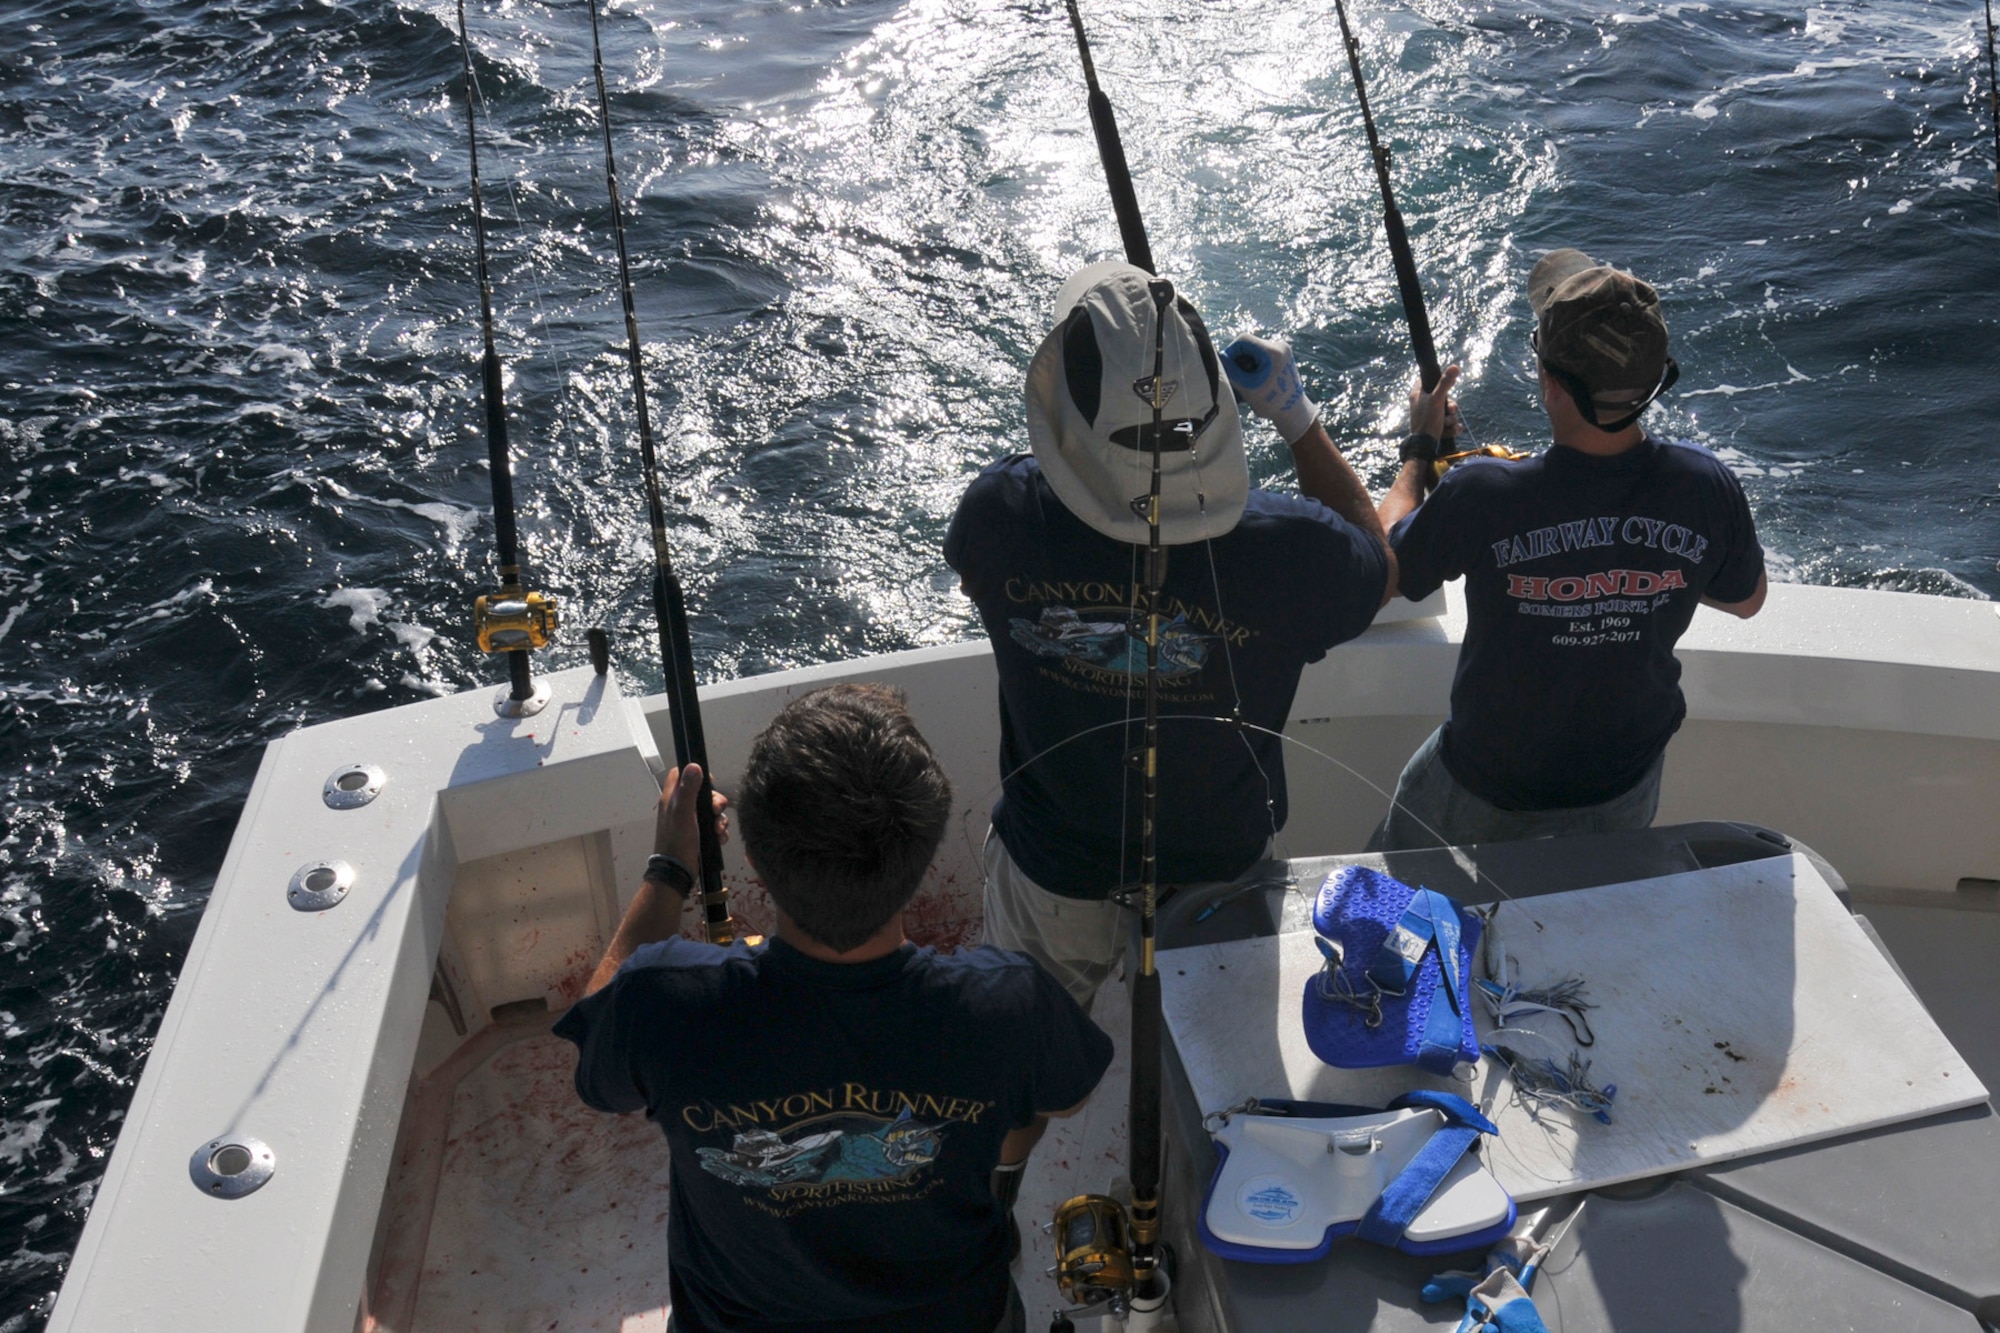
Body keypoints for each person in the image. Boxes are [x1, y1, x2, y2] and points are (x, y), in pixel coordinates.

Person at [555, 684, 1113, 1333]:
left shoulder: (662, 999)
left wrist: (669, 868)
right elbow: (1065, 1095)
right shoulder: (1010, 1002)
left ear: (756, 861)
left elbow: (594, 1053)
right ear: (927, 855)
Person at [945, 260, 1395, 1007]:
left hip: (1051, 867)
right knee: (1219, 1089)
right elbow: (1377, 564)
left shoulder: (1000, 513)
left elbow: (977, 567)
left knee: (1020, 1073)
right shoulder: (1290, 546)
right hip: (1219, 876)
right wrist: (1296, 415)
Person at [1370, 248, 1768, 850]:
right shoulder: (1704, 483)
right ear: (1656, 376)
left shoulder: (1482, 495)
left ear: (1549, 380)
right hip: (1622, 781)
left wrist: (1421, 448)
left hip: (1486, 781)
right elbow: (1746, 600)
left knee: (1393, 891)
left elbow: (1387, 566)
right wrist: (1636, 570)